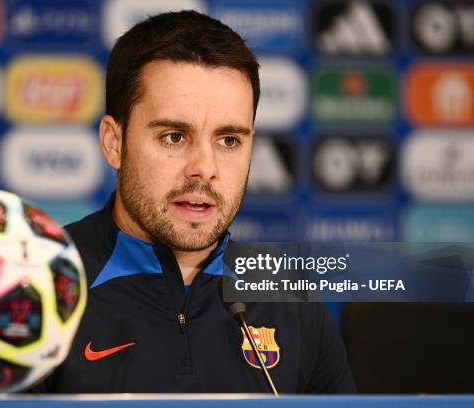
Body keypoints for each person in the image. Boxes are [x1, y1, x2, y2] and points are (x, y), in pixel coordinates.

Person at [33, 10, 356, 394]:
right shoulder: (33, 289)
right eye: (173, 137)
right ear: (114, 143)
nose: (204, 168)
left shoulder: (292, 301)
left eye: (229, 140)